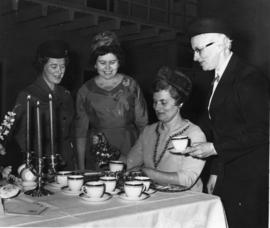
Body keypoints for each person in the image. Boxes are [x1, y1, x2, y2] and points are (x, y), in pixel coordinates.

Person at [186, 18, 269, 227]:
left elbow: (263, 132)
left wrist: (213, 148)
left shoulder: (248, 78)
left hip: (250, 176)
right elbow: (223, 129)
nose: (195, 57)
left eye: (199, 50)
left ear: (221, 44)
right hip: (228, 171)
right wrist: (216, 171)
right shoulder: (217, 77)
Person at [75, 31, 148, 170]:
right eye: (102, 63)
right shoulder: (85, 91)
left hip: (130, 147)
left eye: (112, 62)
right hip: (99, 150)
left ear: (119, 61)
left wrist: (144, 157)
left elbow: (143, 125)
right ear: (94, 64)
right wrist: (81, 167)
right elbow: (80, 132)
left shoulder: (131, 85)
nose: (107, 68)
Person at [127, 66, 206, 191]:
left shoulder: (194, 134)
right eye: (155, 102)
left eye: (163, 102)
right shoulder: (149, 131)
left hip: (185, 201)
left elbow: (186, 180)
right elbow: (130, 164)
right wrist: (109, 152)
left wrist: (147, 173)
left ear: (180, 103)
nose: (157, 108)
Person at [13, 40, 76, 171]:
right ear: (42, 65)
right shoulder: (27, 95)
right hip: (41, 164)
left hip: (66, 164)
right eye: (54, 66)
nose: (59, 71)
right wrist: (34, 166)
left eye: (63, 66)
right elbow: (21, 137)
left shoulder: (66, 94)